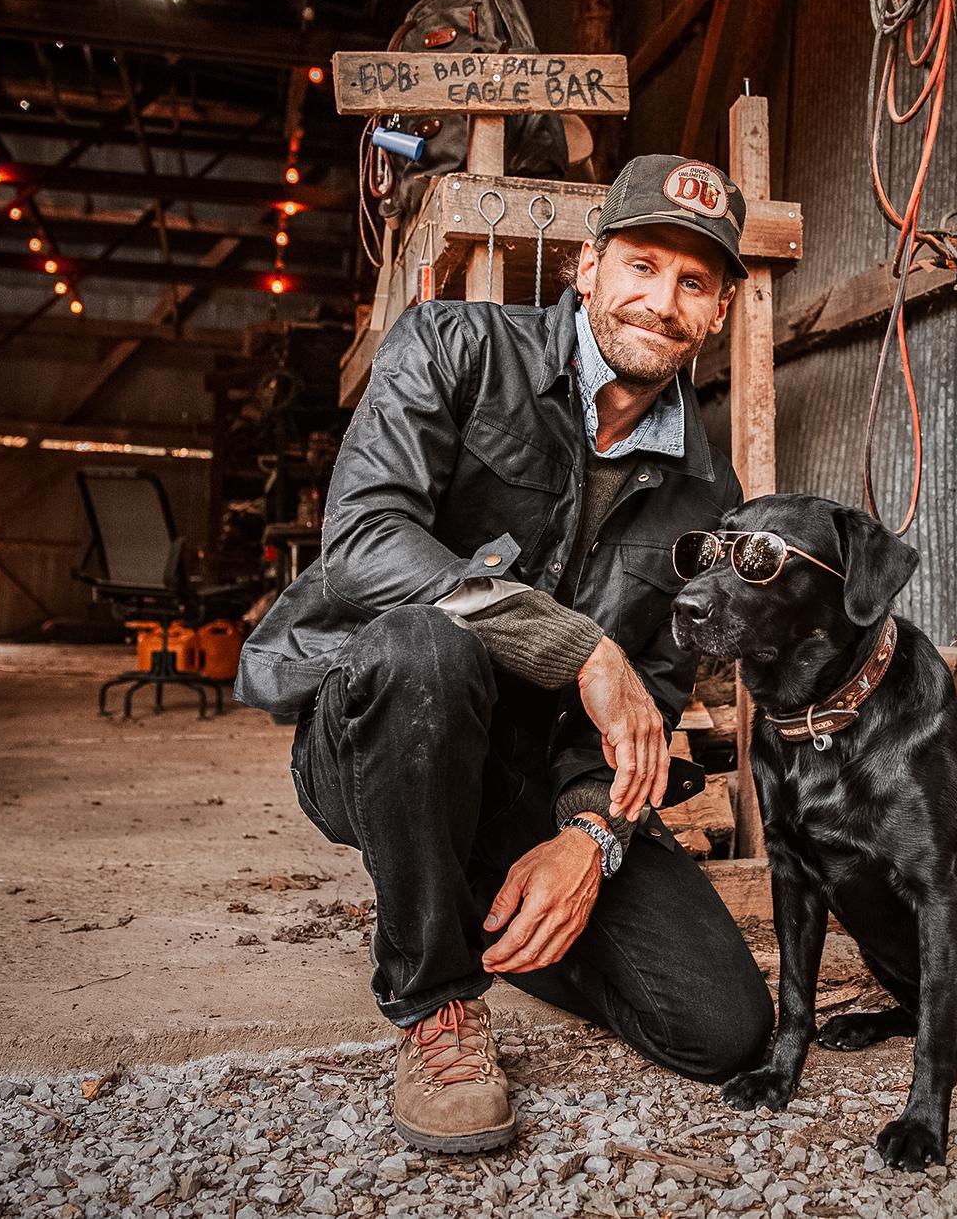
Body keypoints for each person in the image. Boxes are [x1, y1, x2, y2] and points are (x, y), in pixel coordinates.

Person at [233, 154, 775, 1153]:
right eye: (643, 265)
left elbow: (648, 698)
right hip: (382, 726)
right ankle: (435, 996)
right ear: (588, 265)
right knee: (426, 647)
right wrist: (577, 648)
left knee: (725, 1027)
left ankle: (479, 896)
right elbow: (362, 544)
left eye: (694, 282)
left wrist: (587, 838)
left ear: (720, 309)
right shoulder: (452, 347)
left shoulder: (708, 493)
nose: (662, 301)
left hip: (531, 773)